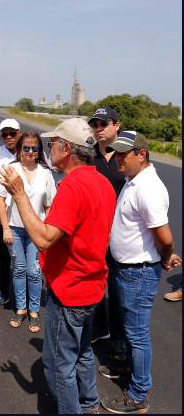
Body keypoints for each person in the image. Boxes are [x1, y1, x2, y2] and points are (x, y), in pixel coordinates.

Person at [0, 117, 115, 414]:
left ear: (66, 148)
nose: (49, 148)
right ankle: (89, 404)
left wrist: (19, 194)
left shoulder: (73, 186)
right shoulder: (101, 180)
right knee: (83, 352)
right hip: (93, 286)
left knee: (59, 364)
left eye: (53, 143)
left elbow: (43, 238)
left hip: (71, 289)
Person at [100, 131, 182, 414]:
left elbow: (165, 236)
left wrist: (166, 256)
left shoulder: (148, 188)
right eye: (116, 153)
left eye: (123, 154)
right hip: (127, 268)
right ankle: (127, 370)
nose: (117, 158)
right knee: (128, 327)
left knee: (137, 335)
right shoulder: (133, 180)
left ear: (142, 154)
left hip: (138, 272)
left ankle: (138, 395)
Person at [0, 131, 55, 332]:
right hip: (16, 229)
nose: (29, 151)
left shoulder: (46, 173)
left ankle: (34, 309)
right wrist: (6, 228)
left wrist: (49, 231)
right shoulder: (11, 170)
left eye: (33, 148)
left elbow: (50, 206)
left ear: (39, 151)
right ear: (19, 150)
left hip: (37, 230)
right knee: (18, 269)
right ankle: (20, 308)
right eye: (25, 148)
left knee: (34, 271)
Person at [87, 107, 129, 364]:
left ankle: (119, 342)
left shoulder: (127, 157)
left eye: (104, 123)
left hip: (120, 236)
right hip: (94, 234)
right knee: (94, 287)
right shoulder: (90, 156)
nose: (99, 128)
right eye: (95, 124)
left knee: (118, 290)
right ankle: (99, 328)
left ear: (116, 125)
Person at [0, 119, 21, 311]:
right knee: (4, 255)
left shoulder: (29, 149)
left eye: (13, 133)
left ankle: (23, 297)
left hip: (26, 212)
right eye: (5, 134)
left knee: (27, 258)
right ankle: (2, 291)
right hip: (5, 212)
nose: (9, 138)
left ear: (19, 132)